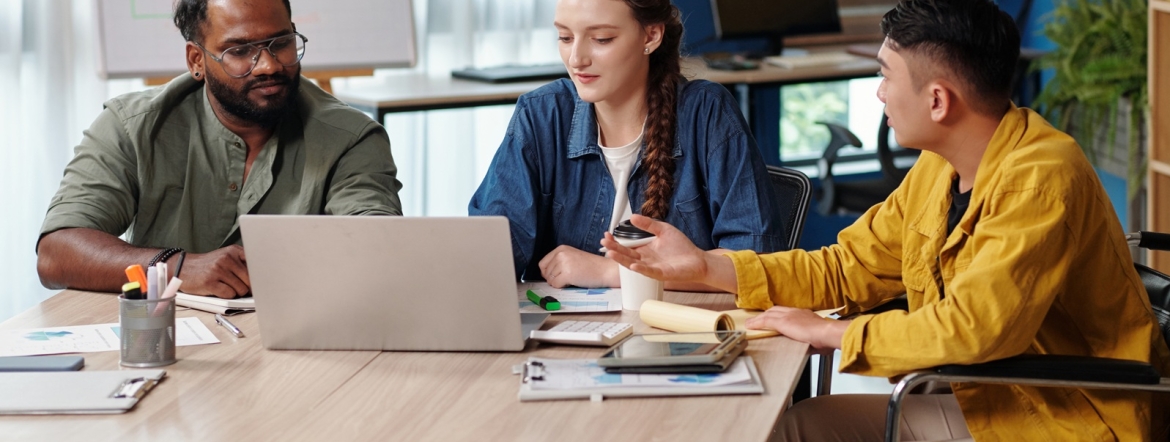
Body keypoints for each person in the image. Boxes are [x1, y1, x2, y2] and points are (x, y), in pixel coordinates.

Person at [602, 0, 1170, 440]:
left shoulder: (1041, 176)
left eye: (886, 76)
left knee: (798, 427)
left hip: (1066, 416)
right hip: (995, 395)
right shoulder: (938, 167)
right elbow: (848, 267)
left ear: (939, 100)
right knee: (801, 423)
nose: (878, 93)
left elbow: (972, 330)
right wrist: (706, 267)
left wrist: (832, 332)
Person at [36, 0, 402, 299]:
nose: (269, 65)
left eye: (281, 43)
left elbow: (378, 251)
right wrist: (175, 267)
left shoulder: (351, 137)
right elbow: (57, 253)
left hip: (299, 344)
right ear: (197, 61)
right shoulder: (133, 125)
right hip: (168, 340)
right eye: (241, 50)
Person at [468, 0, 785, 289]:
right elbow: (488, 261)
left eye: (601, 39)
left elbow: (758, 266)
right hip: (564, 346)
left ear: (650, 36)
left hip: (684, 343)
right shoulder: (541, 115)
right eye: (565, 38)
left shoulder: (707, 113)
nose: (576, 58)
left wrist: (613, 273)